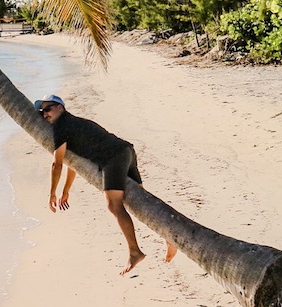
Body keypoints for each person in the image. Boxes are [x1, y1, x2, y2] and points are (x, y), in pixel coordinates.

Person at [35, 94, 177, 275]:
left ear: (60, 108)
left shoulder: (61, 126)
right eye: (42, 112)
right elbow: (74, 163)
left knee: (114, 205)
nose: (45, 114)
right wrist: (66, 190)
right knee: (142, 203)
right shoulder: (74, 122)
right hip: (126, 151)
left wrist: (52, 194)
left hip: (113, 158)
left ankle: (135, 252)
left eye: (48, 109)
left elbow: (57, 164)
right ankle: (168, 235)